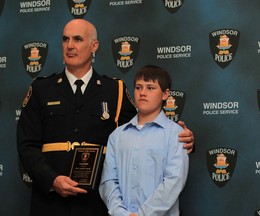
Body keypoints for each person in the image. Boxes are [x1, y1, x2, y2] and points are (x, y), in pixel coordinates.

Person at [17, 19, 194, 216]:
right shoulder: (41, 88)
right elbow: (27, 145)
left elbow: (141, 130)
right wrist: (51, 180)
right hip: (50, 203)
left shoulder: (114, 90)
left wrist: (183, 140)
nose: (70, 46)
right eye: (65, 39)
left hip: (95, 204)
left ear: (94, 46)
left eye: (77, 39)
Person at [99, 65, 189, 216]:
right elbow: (108, 182)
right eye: (138, 87)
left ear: (165, 94)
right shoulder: (117, 135)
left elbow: (174, 182)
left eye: (150, 88)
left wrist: (143, 214)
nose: (143, 93)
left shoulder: (175, 134)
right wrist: (121, 213)